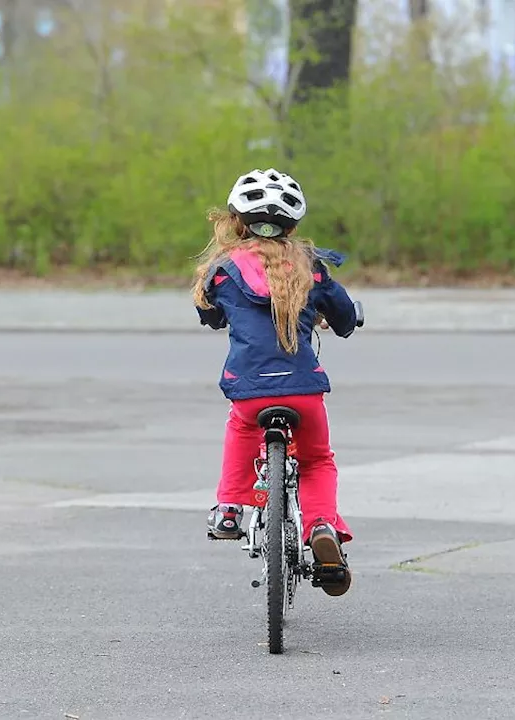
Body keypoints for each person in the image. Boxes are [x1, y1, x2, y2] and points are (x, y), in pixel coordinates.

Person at [192, 168, 359, 597]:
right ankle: (321, 524)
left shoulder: (224, 270)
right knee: (317, 460)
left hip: (249, 390)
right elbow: (342, 318)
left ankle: (229, 508)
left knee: (240, 428)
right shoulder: (311, 269)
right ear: (294, 226)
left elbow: (210, 314)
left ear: (238, 223)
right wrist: (342, 317)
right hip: (304, 392)